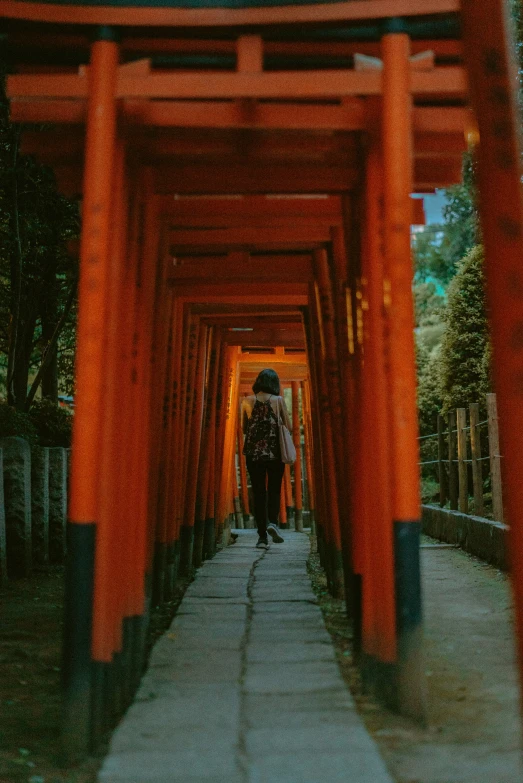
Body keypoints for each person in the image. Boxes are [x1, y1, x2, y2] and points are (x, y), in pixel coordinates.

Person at [241, 368, 291, 549]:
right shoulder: (278, 401)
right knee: (274, 490)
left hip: (254, 454)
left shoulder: (246, 401)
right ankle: (272, 523)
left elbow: (245, 429)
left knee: (259, 491)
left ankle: (261, 537)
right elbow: (288, 425)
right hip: (274, 453)